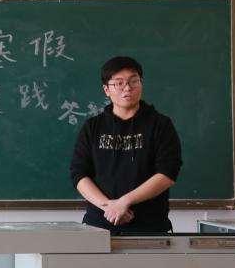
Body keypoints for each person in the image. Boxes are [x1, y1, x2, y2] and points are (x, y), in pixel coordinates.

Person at [70, 56, 183, 232]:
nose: (128, 88)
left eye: (133, 81)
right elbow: (79, 173)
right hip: (99, 224)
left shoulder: (160, 125)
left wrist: (124, 202)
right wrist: (109, 207)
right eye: (119, 83)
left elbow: (167, 172)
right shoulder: (93, 127)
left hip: (149, 227)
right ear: (106, 89)